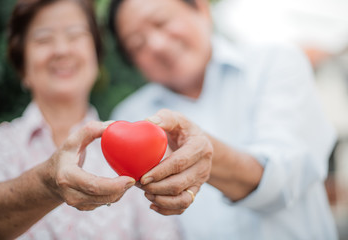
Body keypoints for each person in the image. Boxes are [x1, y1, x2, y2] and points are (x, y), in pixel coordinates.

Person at [108, 0, 338, 239]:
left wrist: (206, 156)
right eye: (137, 43)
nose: (157, 45)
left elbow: (286, 178)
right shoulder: (129, 116)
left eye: (162, 22)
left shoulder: (275, 63)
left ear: (201, 8)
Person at [0, 0, 180, 239]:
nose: (61, 49)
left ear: (96, 57)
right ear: (22, 67)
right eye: (43, 39)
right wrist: (46, 186)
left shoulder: (137, 154)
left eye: (75, 35)